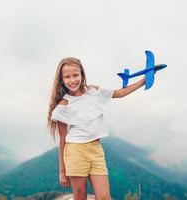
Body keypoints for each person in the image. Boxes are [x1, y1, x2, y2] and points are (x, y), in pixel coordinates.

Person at [47, 57, 146, 200]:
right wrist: (62, 171)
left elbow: (120, 93)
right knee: (80, 196)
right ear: (62, 79)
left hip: (96, 150)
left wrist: (145, 80)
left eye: (75, 75)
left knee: (104, 197)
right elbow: (63, 140)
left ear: (82, 75)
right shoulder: (63, 106)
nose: (72, 80)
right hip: (75, 151)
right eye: (67, 77)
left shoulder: (93, 92)